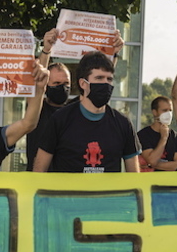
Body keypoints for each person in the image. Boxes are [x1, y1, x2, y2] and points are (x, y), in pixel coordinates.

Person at [25, 28, 124, 170]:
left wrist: (113, 53)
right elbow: (37, 82)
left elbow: (99, 81)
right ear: (46, 86)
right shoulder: (37, 110)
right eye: (56, 84)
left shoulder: (74, 110)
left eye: (66, 84)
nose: (62, 87)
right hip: (41, 184)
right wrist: (46, 50)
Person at [33, 51, 141, 173]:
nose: (105, 83)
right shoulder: (60, 120)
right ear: (83, 83)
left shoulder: (123, 123)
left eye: (109, 79)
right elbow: (39, 170)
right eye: (99, 78)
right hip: (68, 192)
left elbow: (134, 175)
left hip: (109, 192)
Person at [137, 96, 177, 171]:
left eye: (170, 110)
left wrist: (152, 165)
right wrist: (164, 138)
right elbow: (152, 160)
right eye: (164, 110)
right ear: (155, 112)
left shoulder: (176, 137)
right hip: (149, 181)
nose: (168, 114)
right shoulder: (143, 135)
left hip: (169, 181)